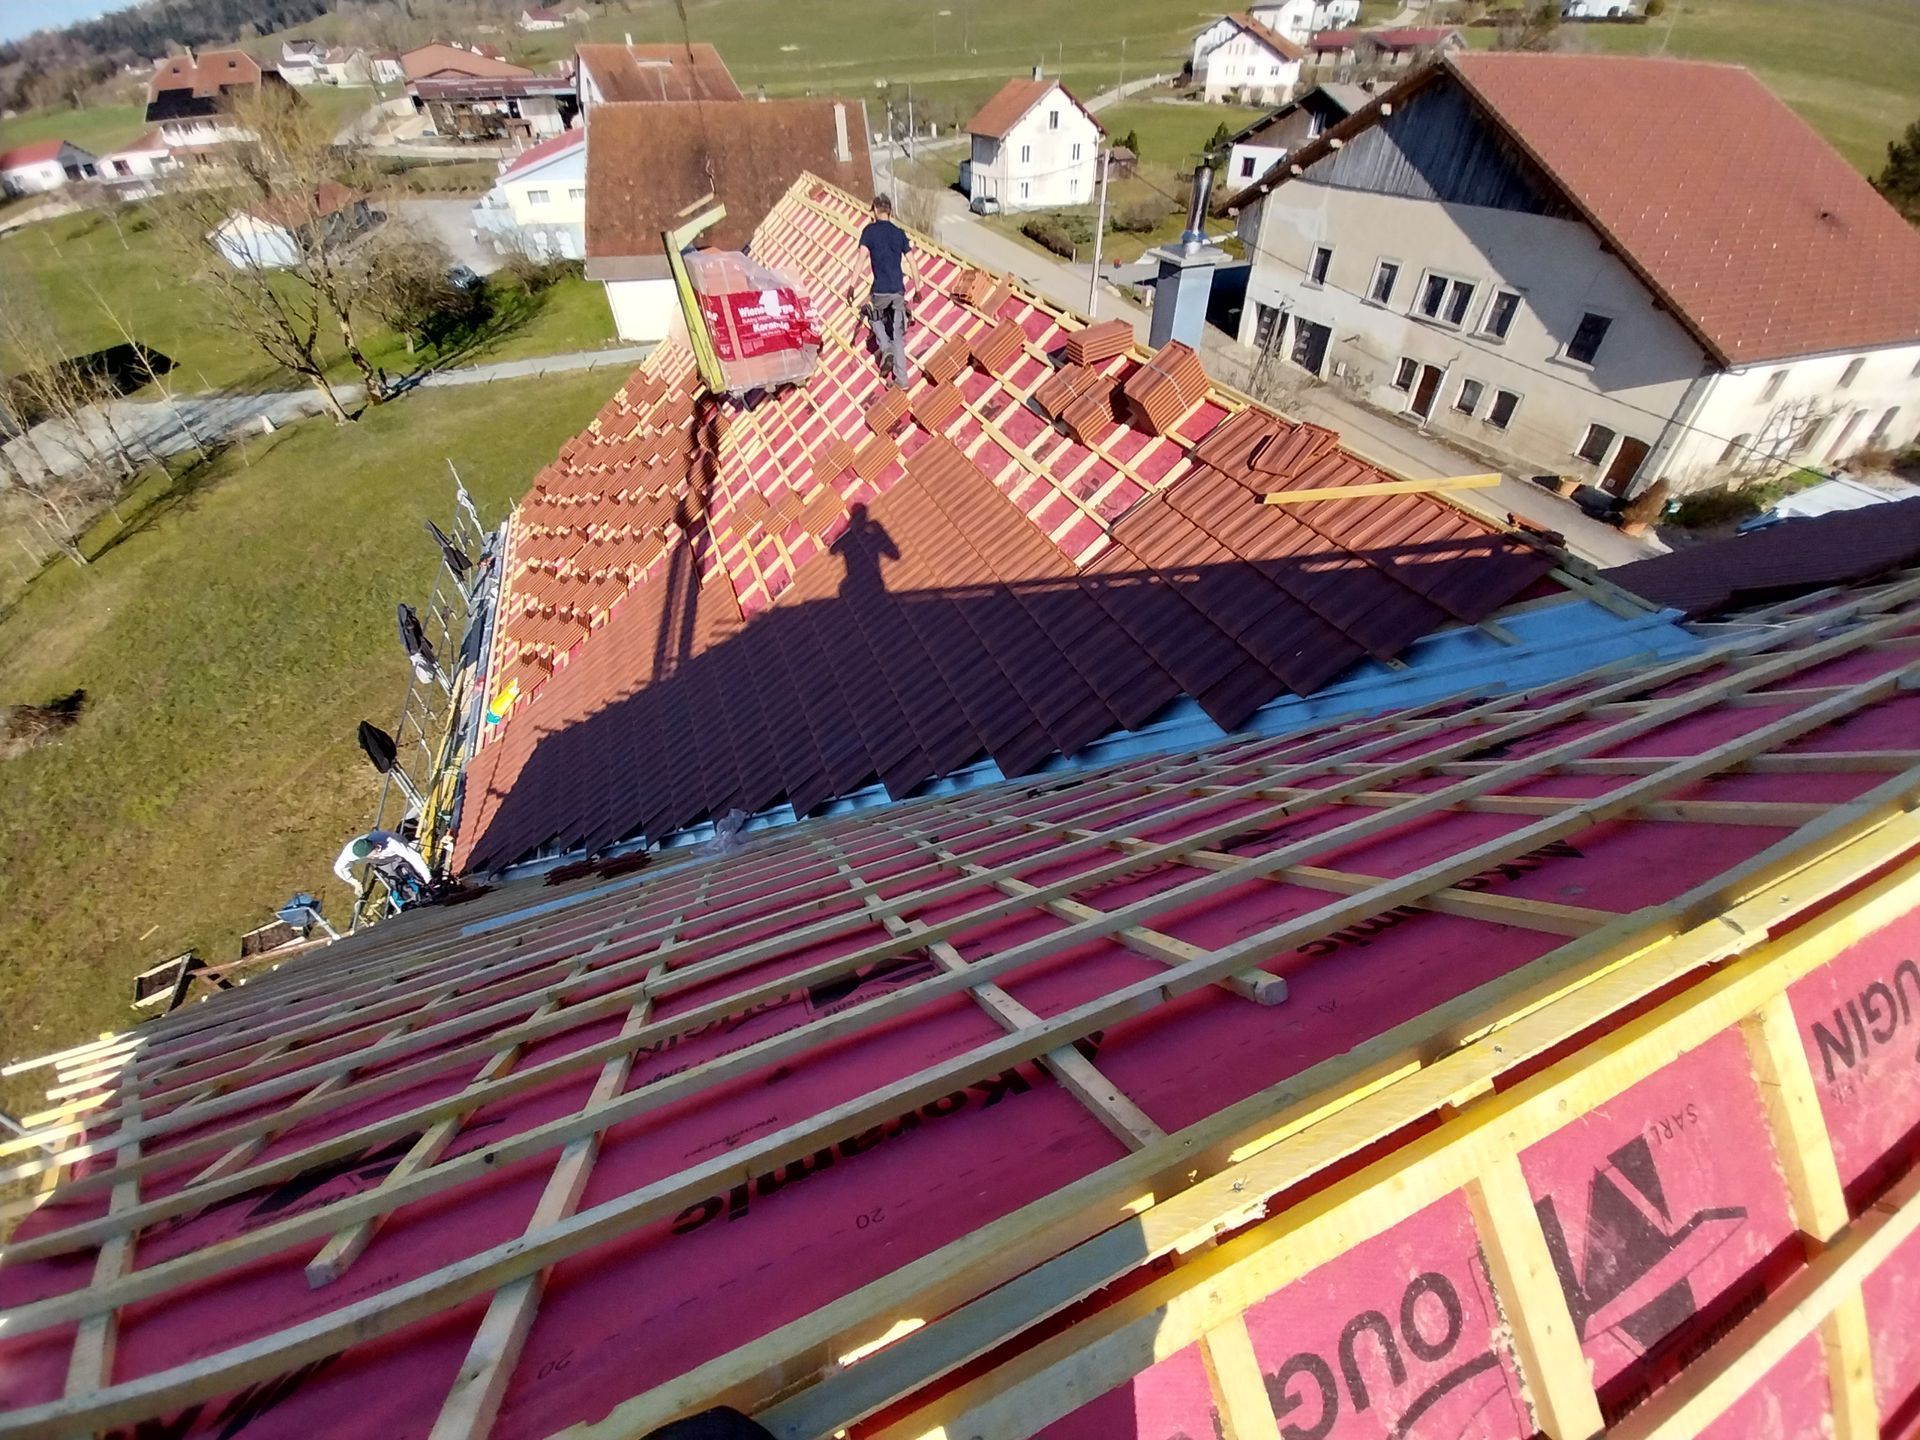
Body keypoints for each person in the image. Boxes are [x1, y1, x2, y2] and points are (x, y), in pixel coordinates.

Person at [848, 194, 918, 389]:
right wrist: (919, 288)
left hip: (880, 293)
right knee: (897, 333)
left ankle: (885, 349)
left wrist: (852, 286)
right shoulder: (899, 233)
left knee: (873, 316)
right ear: (890, 212)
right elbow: (912, 261)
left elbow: (861, 260)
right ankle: (902, 381)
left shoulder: (869, 232)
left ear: (874, 211)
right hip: (897, 292)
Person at [333, 828, 433, 909]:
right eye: (371, 856)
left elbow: (413, 857)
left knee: (414, 873)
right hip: (382, 863)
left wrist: (428, 879)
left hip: (398, 854)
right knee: (395, 882)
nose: (374, 855)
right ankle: (408, 900)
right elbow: (339, 868)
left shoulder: (391, 842)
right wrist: (355, 883)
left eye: (375, 852)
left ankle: (425, 890)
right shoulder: (349, 854)